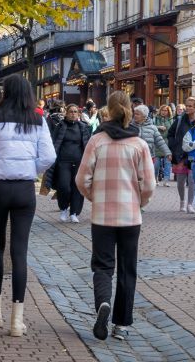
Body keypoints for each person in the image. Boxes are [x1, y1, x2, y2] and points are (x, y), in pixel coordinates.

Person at [0, 74, 56, 335]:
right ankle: (16, 320)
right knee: (20, 252)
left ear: (4, 93)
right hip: (23, 189)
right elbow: (49, 156)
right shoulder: (38, 120)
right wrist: (31, 168)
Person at [76, 89, 156, 342]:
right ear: (130, 111)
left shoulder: (97, 142)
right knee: (127, 268)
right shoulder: (139, 145)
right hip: (130, 216)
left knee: (102, 265)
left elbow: (81, 179)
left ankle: (103, 303)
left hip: (102, 215)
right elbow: (149, 184)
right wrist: (140, 202)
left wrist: (93, 196)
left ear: (108, 111)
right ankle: (121, 324)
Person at [50, 102, 91, 223]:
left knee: (77, 187)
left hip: (79, 162)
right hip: (63, 161)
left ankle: (74, 213)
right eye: (70, 112)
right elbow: (54, 142)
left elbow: (88, 145)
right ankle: (63, 208)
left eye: (75, 112)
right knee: (64, 186)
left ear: (78, 114)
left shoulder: (83, 127)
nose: (73, 114)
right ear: (66, 113)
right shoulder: (60, 126)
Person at [167, 97, 195, 211]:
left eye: (190, 106)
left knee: (191, 179)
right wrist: (173, 145)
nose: (188, 108)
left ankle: (190, 204)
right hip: (180, 155)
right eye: (187, 105)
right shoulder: (180, 120)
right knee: (180, 181)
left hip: (194, 155)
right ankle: (182, 201)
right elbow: (170, 133)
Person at [134, 105, 171, 190]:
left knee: (146, 181)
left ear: (144, 116)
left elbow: (160, 142)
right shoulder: (130, 127)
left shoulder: (153, 128)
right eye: (134, 114)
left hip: (148, 157)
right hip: (134, 158)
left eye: (137, 114)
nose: (135, 115)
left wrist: (168, 153)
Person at [154, 104, 174, 185]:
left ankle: (166, 180)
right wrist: (158, 127)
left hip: (167, 143)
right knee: (156, 164)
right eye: (162, 110)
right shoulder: (155, 118)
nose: (164, 112)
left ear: (168, 111)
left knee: (167, 163)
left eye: (165, 110)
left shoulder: (171, 120)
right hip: (157, 143)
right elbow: (151, 127)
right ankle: (155, 179)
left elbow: (173, 130)